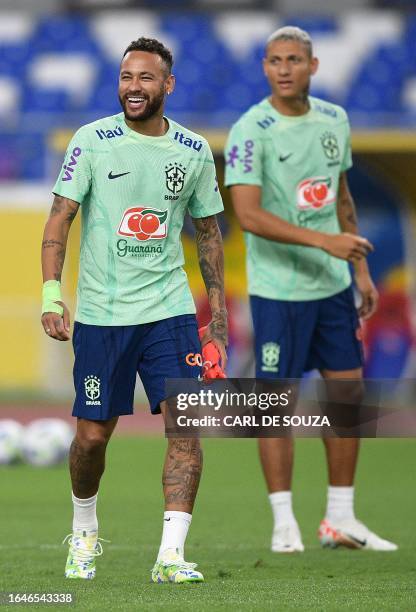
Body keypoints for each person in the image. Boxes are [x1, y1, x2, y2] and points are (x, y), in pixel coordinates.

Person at [41, 37, 227, 583]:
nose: (133, 87)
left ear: (168, 85)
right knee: (92, 438)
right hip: (103, 314)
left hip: (169, 311)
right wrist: (53, 293)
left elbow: (209, 232)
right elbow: (59, 218)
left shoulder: (192, 151)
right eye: (126, 77)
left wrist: (214, 316)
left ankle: (170, 556)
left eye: (145, 78)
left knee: (185, 428)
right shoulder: (91, 141)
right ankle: (84, 533)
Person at [225, 26, 397, 552]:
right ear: (264, 67)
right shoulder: (250, 130)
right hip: (278, 291)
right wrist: (325, 243)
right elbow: (248, 215)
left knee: (347, 393)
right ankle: (283, 524)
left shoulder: (334, 120)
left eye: (294, 59)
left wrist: (360, 271)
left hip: (332, 288)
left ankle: (340, 519)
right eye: (274, 59)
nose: (284, 68)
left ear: (313, 66)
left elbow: (340, 194)